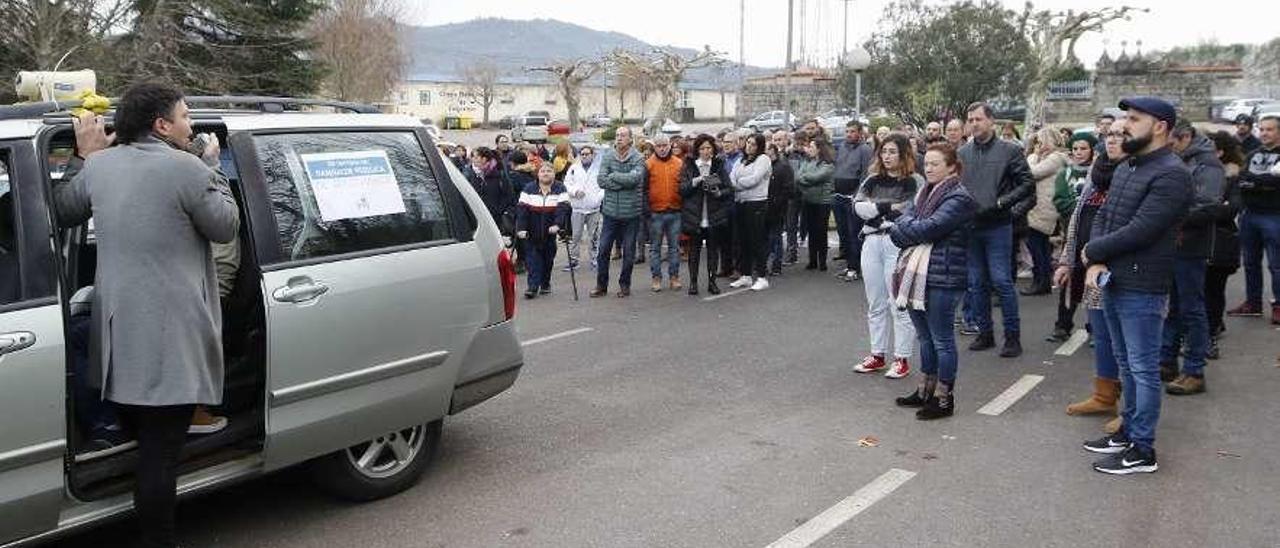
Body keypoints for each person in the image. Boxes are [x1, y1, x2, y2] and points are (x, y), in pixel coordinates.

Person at [56, 83, 240, 547]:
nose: (191, 125)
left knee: (148, 444)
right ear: (162, 125)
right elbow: (226, 225)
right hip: (171, 341)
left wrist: (85, 156)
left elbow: (62, 210)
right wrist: (212, 168)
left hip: (118, 337)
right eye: (184, 117)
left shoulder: (101, 168)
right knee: (160, 457)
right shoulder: (188, 168)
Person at [1081, 96, 1192, 475]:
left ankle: (1143, 450)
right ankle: (1127, 431)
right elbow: (1105, 214)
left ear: (1159, 126)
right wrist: (1095, 256)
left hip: (1143, 283)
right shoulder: (1128, 165)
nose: (1124, 125)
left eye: (1133, 118)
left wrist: (1093, 250)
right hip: (1113, 277)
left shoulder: (1172, 174)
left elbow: (1143, 229)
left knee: (1143, 368)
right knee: (1126, 363)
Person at [889, 143, 978, 420]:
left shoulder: (959, 198)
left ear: (952, 166)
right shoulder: (923, 192)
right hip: (919, 275)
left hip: (945, 276)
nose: (928, 169)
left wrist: (906, 228)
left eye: (935, 164)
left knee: (942, 340)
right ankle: (925, 389)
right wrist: (906, 227)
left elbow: (930, 227)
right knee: (925, 337)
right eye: (926, 164)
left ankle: (943, 398)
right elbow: (902, 225)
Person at [1056, 127, 1126, 420]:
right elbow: (1077, 219)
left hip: (1124, 271)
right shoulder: (1097, 175)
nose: (1111, 139)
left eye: (1120, 134)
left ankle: (1131, 410)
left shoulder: (1135, 174)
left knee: (1128, 344)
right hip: (1092, 268)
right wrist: (1066, 260)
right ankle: (1104, 396)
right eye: (1109, 133)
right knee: (1102, 334)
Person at [958, 102, 1034, 358]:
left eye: (978, 118)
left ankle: (1012, 337)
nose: (974, 123)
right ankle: (985, 333)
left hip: (998, 226)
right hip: (971, 227)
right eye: (971, 119)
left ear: (991, 121)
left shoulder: (1010, 151)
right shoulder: (963, 152)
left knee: (1002, 281)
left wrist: (1002, 203)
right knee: (976, 283)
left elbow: (1026, 183)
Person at [1160, 122, 1224, 395]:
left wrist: (1169, 216)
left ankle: (1194, 370)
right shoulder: (1180, 160)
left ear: (1185, 137)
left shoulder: (1207, 164)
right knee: (1173, 305)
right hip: (1174, 243)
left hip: (1191, 244)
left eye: (1172, 142)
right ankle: (1167, 360)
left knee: (1191, 308)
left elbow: (1208, 205)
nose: (1168, 147)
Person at [852, 133, 921, 379]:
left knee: (898, 303)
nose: (887, 156)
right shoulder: (871, 180)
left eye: (893, 151)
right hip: (871, 241)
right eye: (884, 151)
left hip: (897, 243)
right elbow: (858, 207)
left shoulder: (914, 181)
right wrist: (886, 208)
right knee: (875, 302)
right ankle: (877, 354)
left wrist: (878, 212)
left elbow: (910, 212)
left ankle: (902, 358)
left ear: (903, 154)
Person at [1046, 132, 1098, 342]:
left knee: (1093, 282)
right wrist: (1078, 209)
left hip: (1094, 233)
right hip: (1073, 231)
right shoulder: (1065, 173)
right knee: (1069, 277)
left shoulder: (1098, 173)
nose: (1078, 153)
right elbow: (1060, 199)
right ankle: (1063, 324)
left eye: (1083, 148)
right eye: (1075, 149)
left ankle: (1095, 326)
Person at [1228, 115, 1280, 321]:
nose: (1265, 133)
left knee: (1276, 265)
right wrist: (1263, 182)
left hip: (1274, 215)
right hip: (1249, 215)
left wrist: (1255, 181)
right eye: (1262, 129)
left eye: (1270, 129)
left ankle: (1278, 305)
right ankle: (1253, 302)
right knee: (1249, 262)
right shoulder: (1252, 154)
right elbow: (1239, 179)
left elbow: (1274, 184)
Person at [592, 126, 648, 298]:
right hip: (610, 212)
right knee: (603, 251)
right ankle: (601, 286)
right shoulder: (608, 156)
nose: (619, 138)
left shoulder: (638, 158)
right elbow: (601, 180)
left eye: (623, 135)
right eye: (617, 135)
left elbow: (635, 179)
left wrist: (614, 176)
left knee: (629, 252)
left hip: (631, 213)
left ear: (630, 139)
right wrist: (622, 181)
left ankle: (625, 285)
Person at [1204, 131, 1244, 359]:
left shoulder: (1232, 177)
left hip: (1222, 242)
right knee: (1197, 290)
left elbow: (1231, 209)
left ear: (1219, 152)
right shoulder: (1198, 174)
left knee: (1213, 289)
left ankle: (1211, 331)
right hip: (1200, 240)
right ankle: (1208, 327)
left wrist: (1207, 208)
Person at [679, 134, 733, 296]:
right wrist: (695, 181)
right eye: (702, 148)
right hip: (694, 216)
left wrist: (719, 193)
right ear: (697, 150)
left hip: (713, 215)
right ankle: (693, 283)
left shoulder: (718, 165)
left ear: (713, 149)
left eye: (708, 148)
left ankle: (712, 282)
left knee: (712, 251)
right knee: (694, 251)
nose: (705, 151)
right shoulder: (688, 165)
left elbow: (729, 188)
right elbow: (682, 189)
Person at [1022, 127, 1069, 297]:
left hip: (1043, 207)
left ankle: (1040, 281)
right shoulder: (1050, 158)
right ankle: (1042, 280)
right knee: (1039, 245)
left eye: (1040, 141)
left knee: (1036, 245)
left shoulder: (1056, 158)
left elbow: (1031, 173)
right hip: (1040, 206)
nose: (1038, 145)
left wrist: (1032, 157)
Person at [515, 163, 571, 298]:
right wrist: (521, 228)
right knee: (532, 260)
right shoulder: (529, 188)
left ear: (554, 173)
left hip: (549, 232)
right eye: (542, 171)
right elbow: (522, 210)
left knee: (548, 260)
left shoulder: (560, 188)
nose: (545, 173)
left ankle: (545, 283)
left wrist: (557, 225)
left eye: (549, 171)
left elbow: (562, 209)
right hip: (531, 232)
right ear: (538, 174)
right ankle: (532, 287)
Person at [729, 133, 773, 291]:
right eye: (748, 143)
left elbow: (754, 180)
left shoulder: (764, 159)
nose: (749, 146)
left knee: (757, 241)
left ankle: (762, 276)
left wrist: (737, 184)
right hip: (741, 202)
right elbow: (731, 177)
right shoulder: (740, 160)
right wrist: (736, 183)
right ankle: (746, 275)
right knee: (743, 241)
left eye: (753, 144)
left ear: (759, 146)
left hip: (757, 203)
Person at [833, 121, 874, 281]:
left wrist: (858, 196)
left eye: (852, 131)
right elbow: (837, 168)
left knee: (853, 233)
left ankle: (855, 268)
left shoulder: (865, 149)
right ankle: (850, 265)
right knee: (843, 233)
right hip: (838, 196)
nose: (849, 134)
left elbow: (866, 175)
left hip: (853, 198)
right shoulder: (842, 147)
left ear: (860, 133)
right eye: (847, 131)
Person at [646, 134, 684, 291]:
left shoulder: (679, 163)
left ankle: (674, 277)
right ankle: (656, 278)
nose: (662, 148)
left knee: (674, 247)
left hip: (675, 211)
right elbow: (643, 188)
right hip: (655, 212)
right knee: (655, 247)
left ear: (670, 145)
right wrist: (646, 209)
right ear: (654, 147)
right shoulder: (648, 164)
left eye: (665, 145)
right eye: (659, 146)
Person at [797, 137, 836, 272]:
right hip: (809, 201)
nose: (809, 150)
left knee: (821, 232)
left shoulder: (828, 164)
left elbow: (817, 177)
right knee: (811, 232)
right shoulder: (807, 162)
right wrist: (807, 178)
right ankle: (812, 260)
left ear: (819, 149)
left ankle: (822, 261)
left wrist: (805, 178)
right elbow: (798, 177)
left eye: (812, 147)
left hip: (822, 203)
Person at [564, 145, 604, 271]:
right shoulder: (574, 168)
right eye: (582, 154)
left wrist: (598, 198)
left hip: (594, 208)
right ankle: (574, 261)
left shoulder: (599, 169)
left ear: (593, 155)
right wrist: (575, 192)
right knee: (575, 236)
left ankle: (595, 259)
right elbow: (567, 183)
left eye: (587, 154)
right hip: (578, 208)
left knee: (594, 236)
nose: (585, 156)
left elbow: (604, 185)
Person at [463, 147, 515, 232]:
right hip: (477, 217)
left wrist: (498, 211)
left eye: (476, 157)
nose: (473, 160)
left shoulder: (499, 173)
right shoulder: (471, 174)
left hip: (495, 219)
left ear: (484, 159)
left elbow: (509, 196)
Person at [766, 141, 797, 277]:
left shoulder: (783, 166)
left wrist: (778, 201)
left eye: (767, 149)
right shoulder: (765, 166)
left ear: (773, 151)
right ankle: (763, 263)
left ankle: (776, 265)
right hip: (764, 206)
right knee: (765, 237)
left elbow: (789, 189)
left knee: (776, 236)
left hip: (777, 208)